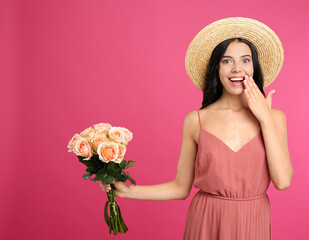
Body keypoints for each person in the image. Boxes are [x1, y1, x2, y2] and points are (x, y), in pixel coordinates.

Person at [100, 17, 293, 240]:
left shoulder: (274, 118)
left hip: (253, 223)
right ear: (217, 68)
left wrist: (264, 118)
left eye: (245, 60)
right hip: (206, 221)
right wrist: (129, 191)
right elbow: (181, 188)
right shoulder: (196, 121)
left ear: (254, 67)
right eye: (227, 61)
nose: (237, 69)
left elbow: (283, 181)